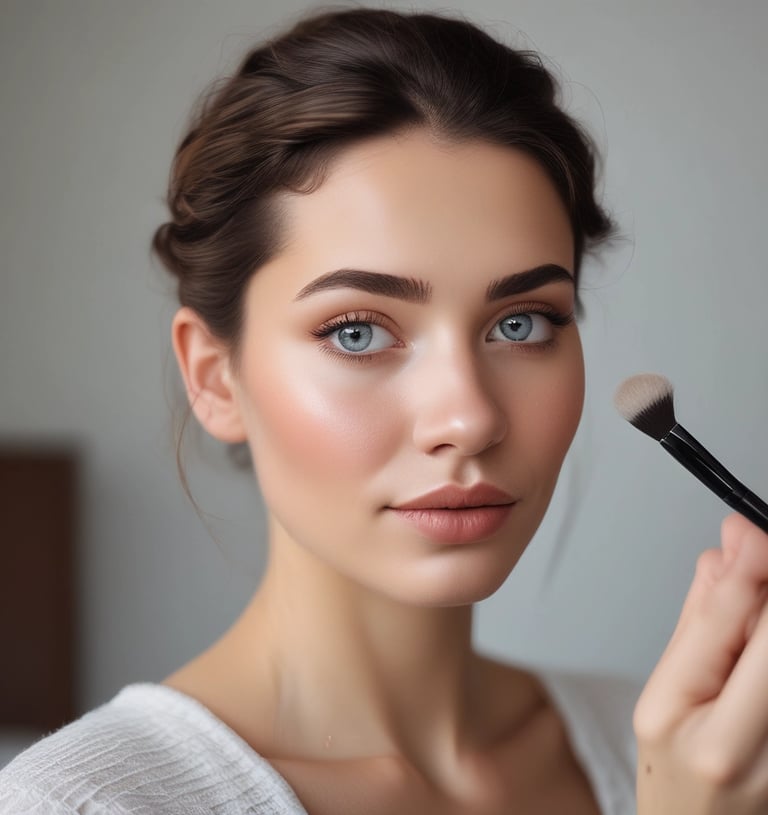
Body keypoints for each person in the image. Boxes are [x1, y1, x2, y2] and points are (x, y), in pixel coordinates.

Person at [3, 7, 768, 814]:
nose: (469, 418)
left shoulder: (688, 747)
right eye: (358, 331)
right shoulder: (82, 802)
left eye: (521, 323)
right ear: (215, 377)